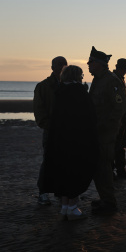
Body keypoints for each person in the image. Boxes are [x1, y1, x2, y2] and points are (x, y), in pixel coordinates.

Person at [43, 65, 98, 220]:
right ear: (77, 76)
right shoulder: (80, 93)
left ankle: (65, 207)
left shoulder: (59, 92)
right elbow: (90, 118)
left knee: (62, 173)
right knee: (76, 172)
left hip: (59, 141)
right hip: (77, 141)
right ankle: (72, 208)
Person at [87, 46, 126, 214]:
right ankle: (105, 198)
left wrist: (109, 125)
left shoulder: (111, 80)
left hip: (105, 132)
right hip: (97, 131)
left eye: (91, 62)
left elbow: (121, 105)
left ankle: (109, 203)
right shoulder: (98, 79)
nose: (88, 65)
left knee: (104, 167)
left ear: (100, 64)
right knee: (99, 167)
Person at [33, 56, 67, 205]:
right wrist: (49, 126)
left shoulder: (70, 86)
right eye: (59, 64)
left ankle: (61, 192)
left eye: (64, 64)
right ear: (52, 67)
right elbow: (39, 111)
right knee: (48, 162)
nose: (61, 67)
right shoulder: (43, 86)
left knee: (65, 162)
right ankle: (43, 192)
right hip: (51, 131)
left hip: (67, 131)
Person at [113, 58, 126, 180]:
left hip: (123, 118)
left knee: (121, 145)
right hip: (117, 119)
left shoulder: (119, 79)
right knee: (115, 146)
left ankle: (120, 169)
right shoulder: (114, 79)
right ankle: (112, 170)